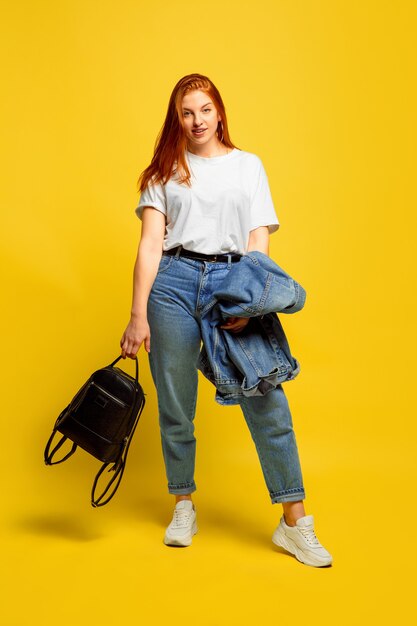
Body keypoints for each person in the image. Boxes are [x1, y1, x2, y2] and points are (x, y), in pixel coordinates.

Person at [120, 73, 332, 567]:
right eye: (186, 112)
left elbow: (258, 242)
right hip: (171, 284)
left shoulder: (248, 166)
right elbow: (151, 244)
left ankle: (295, 524)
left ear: (220, 112)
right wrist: (137, 316)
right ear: (177, 118)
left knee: (267, 402)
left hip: (232, 282)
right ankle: (184, 504)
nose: (197, 120)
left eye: (205, 109)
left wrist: (248, 304)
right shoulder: (162, 172)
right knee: (176, 404)